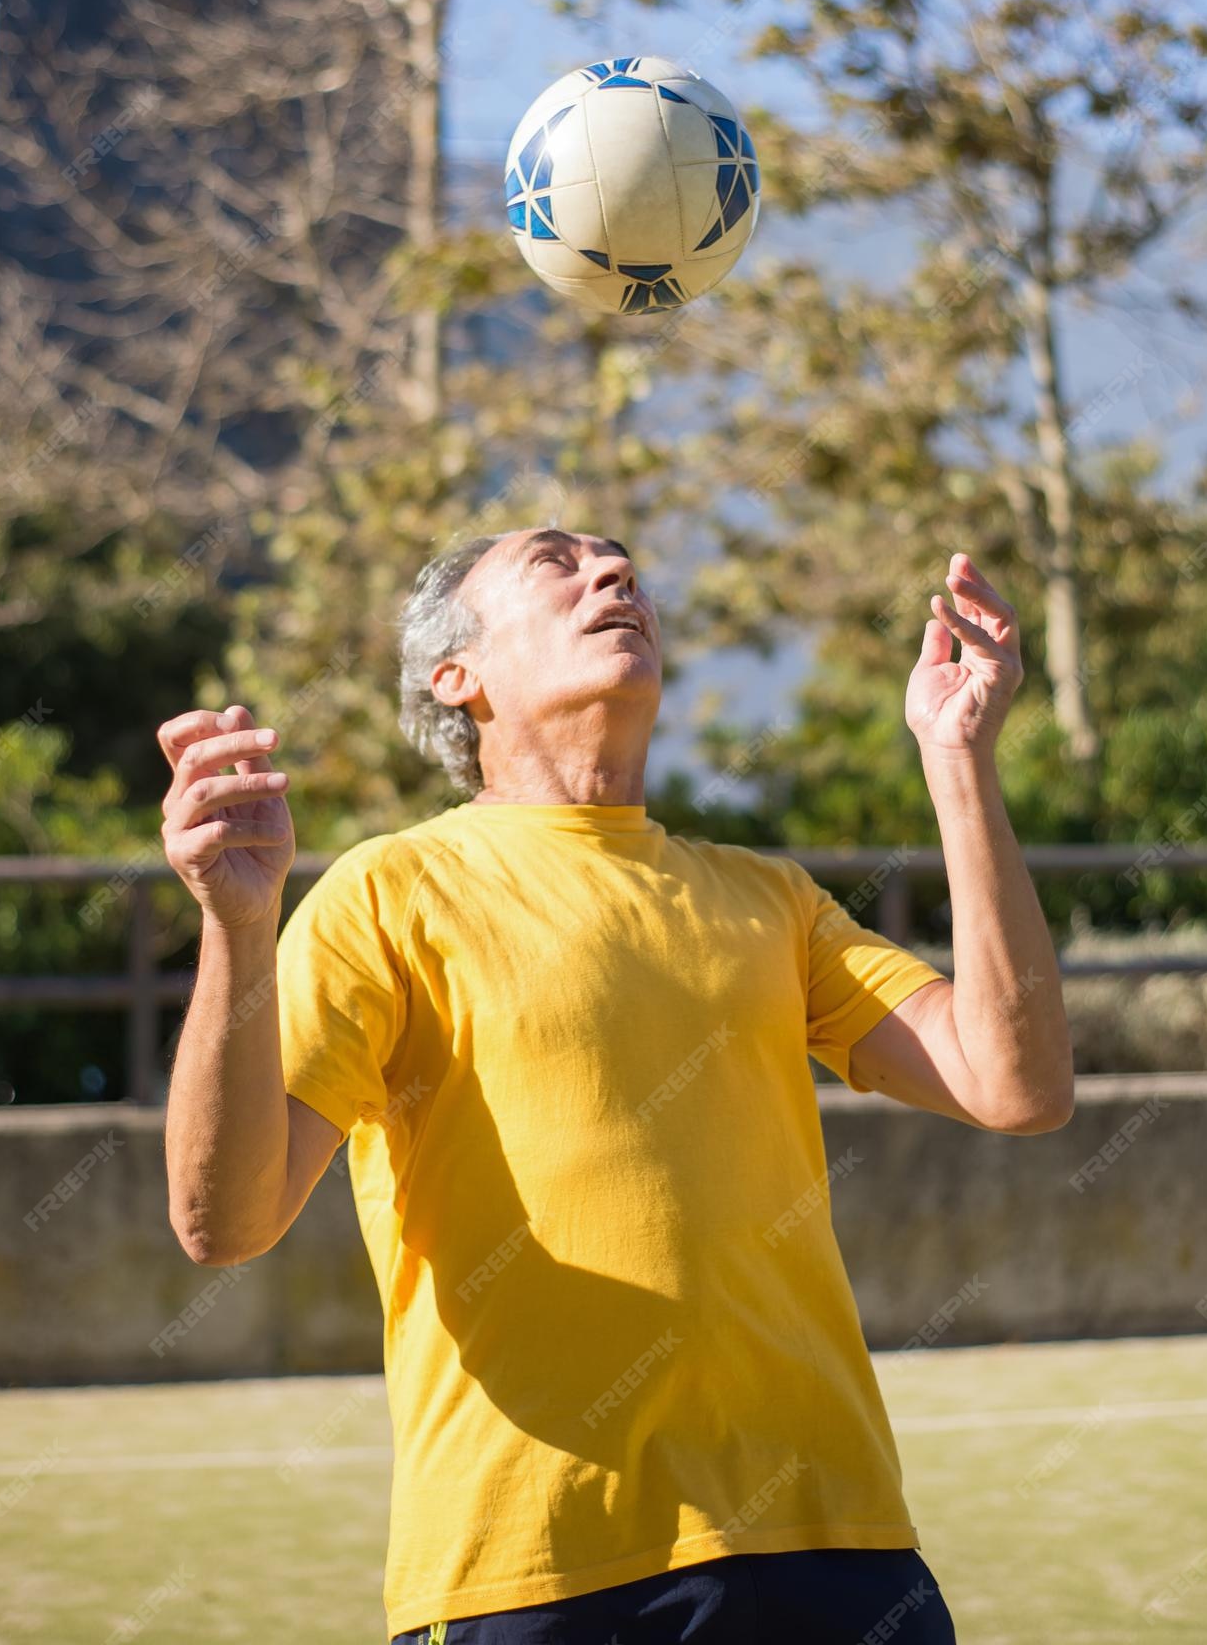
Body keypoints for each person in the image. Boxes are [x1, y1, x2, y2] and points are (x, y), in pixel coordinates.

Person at [158, 531, 1073, 1644]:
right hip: (538, 1575)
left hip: (839, 1551)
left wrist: (959, 759)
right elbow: (226, 1218)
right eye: (557, 562)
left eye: (624, 563)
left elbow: (1015, 1080)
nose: (614, 576)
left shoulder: (770, 899)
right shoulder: (386, 894)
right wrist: (237, 927)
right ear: (458, 675)